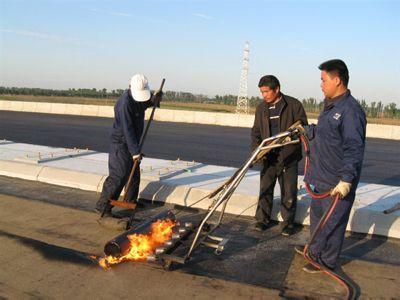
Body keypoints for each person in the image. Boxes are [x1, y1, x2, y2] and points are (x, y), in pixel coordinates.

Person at [296, 59, 367, 273]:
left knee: (332, 224)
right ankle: (314, 250)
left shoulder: (351, 110)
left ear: (337, 80)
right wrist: (307, 131)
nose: (320, 84)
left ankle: (326, 261)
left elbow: (354, 148)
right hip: (320, 177)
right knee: (318, 218)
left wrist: (346, 179)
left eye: (323, 79)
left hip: (337, 181)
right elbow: (325, 134)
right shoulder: (329, 106)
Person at [95, 74, 162, 216]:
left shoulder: (137, 98)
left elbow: (144, 103)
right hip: (121, 143)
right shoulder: (124, 104)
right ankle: (103, 206)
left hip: (132, 142)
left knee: (134, 172)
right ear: (130, 87)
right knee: (119, 174)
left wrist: (154, 100)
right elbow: (128, 129)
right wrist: (135, 152)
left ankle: (131, 201)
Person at [251, 75, 308, 236]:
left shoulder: (293, 105)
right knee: (265, 188)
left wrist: (292, 136)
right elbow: (255, 132)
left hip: (288, 156)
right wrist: (257, 150)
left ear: (277, 89)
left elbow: (303, 126)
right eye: (262, 92)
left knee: (288, 191)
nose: (264, 95)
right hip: (269, 156)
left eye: (267, 92)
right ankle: (262, 220)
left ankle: (288, 223)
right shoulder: (261, 108)